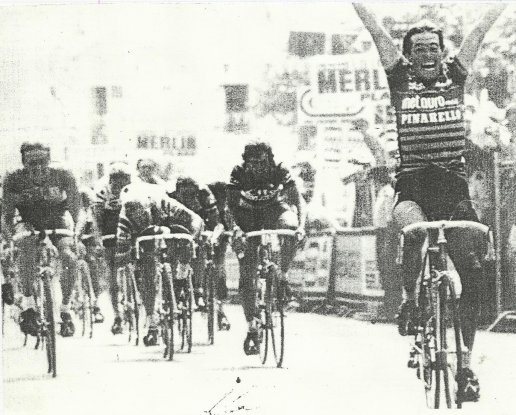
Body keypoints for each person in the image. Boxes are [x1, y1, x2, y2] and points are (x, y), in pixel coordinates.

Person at [353, 3, 507, 402]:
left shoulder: (456, 75)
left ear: (443, 53)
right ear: (408, 55)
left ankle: (466, 366)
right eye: (418, 48)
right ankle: (409, 302)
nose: (426, 54)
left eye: (432, 48)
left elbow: (478, 32)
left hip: (453, 190)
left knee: (471, 273)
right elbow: (376, 32)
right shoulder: (399, 78)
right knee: (412, 230)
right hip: (413, 188)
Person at [227, 142, 306, 355]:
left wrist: (301, 227)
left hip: (274, 210)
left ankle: (282, 275)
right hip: (248, 216)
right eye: (252, 163)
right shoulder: (239, 172)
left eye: (262, 162)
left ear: (269, 160)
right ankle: (252, 327)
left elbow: (298, 202)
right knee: (247, 274)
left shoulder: (280, 170)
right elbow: (230, 207)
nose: (257, 167)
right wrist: (235, 229)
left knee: (289, 228)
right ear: (246, 163)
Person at [1, 142, 81, 337]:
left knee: (69, 257)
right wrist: (10, 240)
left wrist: (77, 235)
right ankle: (29, 305)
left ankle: (65, 309)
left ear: (49, 160)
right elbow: (7, 215)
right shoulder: (14, 178)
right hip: (27, 220)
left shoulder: (63, 175)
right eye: (32, 163)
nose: (38, 167)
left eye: (42, 162)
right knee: (26, 248)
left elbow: (76, 209)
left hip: (57, 218)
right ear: (23, 162)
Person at [115, 182, 204, 346]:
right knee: (147, 269)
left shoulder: (164, 203)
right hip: (146, 240)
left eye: (138, 208)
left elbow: (196, 220)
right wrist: (128, 254)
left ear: (148, 204)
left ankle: (180, 281)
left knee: (184, 243)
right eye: (130, 209)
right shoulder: (124, 217)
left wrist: (192, 238)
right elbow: (120, 252)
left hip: (170, 230)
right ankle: (152, 322)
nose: (135, 213)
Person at [169, 177, 229, 327]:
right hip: (180, 229)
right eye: (184, 194)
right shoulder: (170, 197)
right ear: (177, 192)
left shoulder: (205, 197)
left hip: (203, 228)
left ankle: (213, 304)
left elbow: (217, 224)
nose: (189, 198)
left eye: (192, 194)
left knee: (218, 267)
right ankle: (172, 292)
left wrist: (213, 238)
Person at [92, 162, 132, 334]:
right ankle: (117, 316)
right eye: (116, 180)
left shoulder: (134, 191)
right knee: (113, 279)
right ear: (111, 180)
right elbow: (97, 219)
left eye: (124, 180)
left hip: (129, 231)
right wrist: (98, 240)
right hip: (110, 233)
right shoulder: (102, 192)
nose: (120, 184)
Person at [77, 186, 105, 323]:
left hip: (89, 243)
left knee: (93, 265)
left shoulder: (92, 214)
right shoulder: (72, 212)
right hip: (73, 242)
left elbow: (97, 232)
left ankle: (95, 305)